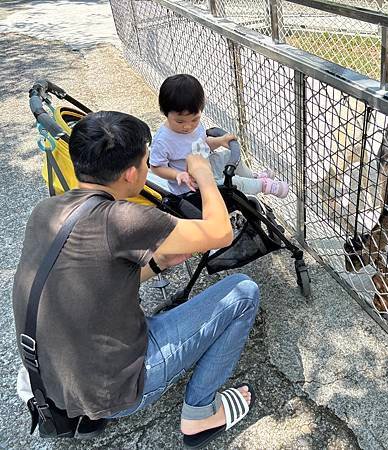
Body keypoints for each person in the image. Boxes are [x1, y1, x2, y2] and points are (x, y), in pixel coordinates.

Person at [12, 111, 260, 448]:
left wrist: (156, 265)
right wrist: (202, 173)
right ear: (131, 174)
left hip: (52, 384)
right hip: (114, 391)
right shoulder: (124, 218)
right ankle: (199, 414)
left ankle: (89, 409)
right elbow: (221, 232)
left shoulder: (46, 210)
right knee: (243, 292)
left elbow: (99, 277)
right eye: (146, 161)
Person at [150, 73, 288, 199]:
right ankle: (263, 185)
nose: (188, 126)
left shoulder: (196, 126)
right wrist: (178, 175)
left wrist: (220, 141)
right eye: (180, 121)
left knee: (229, 156)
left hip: (208, 163)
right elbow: (156, 167)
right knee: (233, 183)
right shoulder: (163, 140)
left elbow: (202, 144)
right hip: (193, 185)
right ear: (165, 112)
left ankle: (252, 178)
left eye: (194, 119)